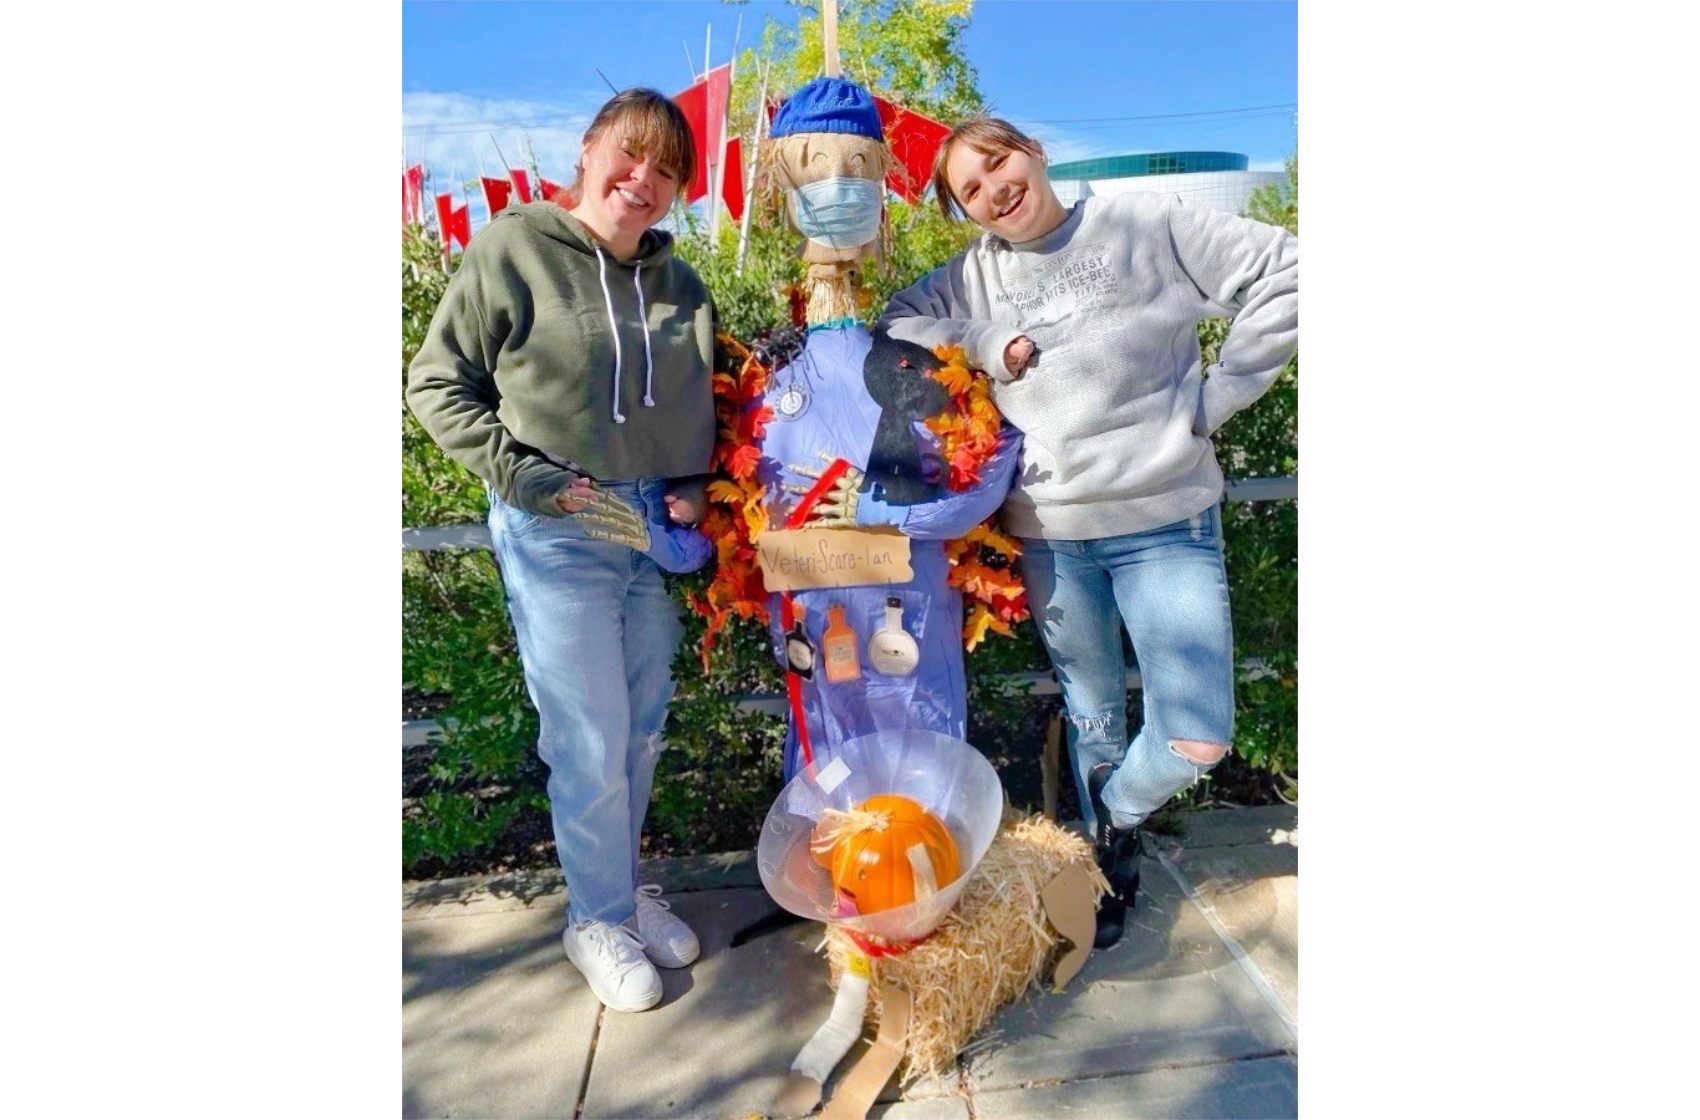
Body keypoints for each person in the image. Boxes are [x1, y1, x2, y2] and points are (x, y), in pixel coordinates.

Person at [877, 117, 1297, 947]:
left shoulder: (1146, 225)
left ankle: (1113, 813)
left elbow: (1285, 267)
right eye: (971, 189)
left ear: (1031, 151)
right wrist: (982, 341)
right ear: (969, 214)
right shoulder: (972, 278)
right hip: (1049, 535)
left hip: (1165, 521)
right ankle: (1110, 860)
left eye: (997, 162)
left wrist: (1214, 401)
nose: (994, 188)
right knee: (1094, 712)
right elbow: (893, 328)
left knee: (1197, 735)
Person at [407, 88, 716, 1012]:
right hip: (561, 519)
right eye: (630, 155)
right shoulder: (514, 249)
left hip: (651, 529)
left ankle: (616, 895)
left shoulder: (683, 286)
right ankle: (596, 918)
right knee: (585, 734)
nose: (644, 179)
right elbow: (437, 383)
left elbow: (705, 408)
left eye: (667, 169)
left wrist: (697, 484)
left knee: (640, 723)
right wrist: (525, 476)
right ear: (587, 151)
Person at [738, 77, 1021, 783]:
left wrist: (877, 507)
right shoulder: (758, 377)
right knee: (823, 765)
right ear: (781, 186)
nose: (838, 186)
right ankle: (830, 885)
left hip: (911, 620)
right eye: (814, 168)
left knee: (921, 761)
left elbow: (992, 466)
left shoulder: (922, 359)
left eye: (858, 169)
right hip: (812, 617)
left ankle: (927, 884)